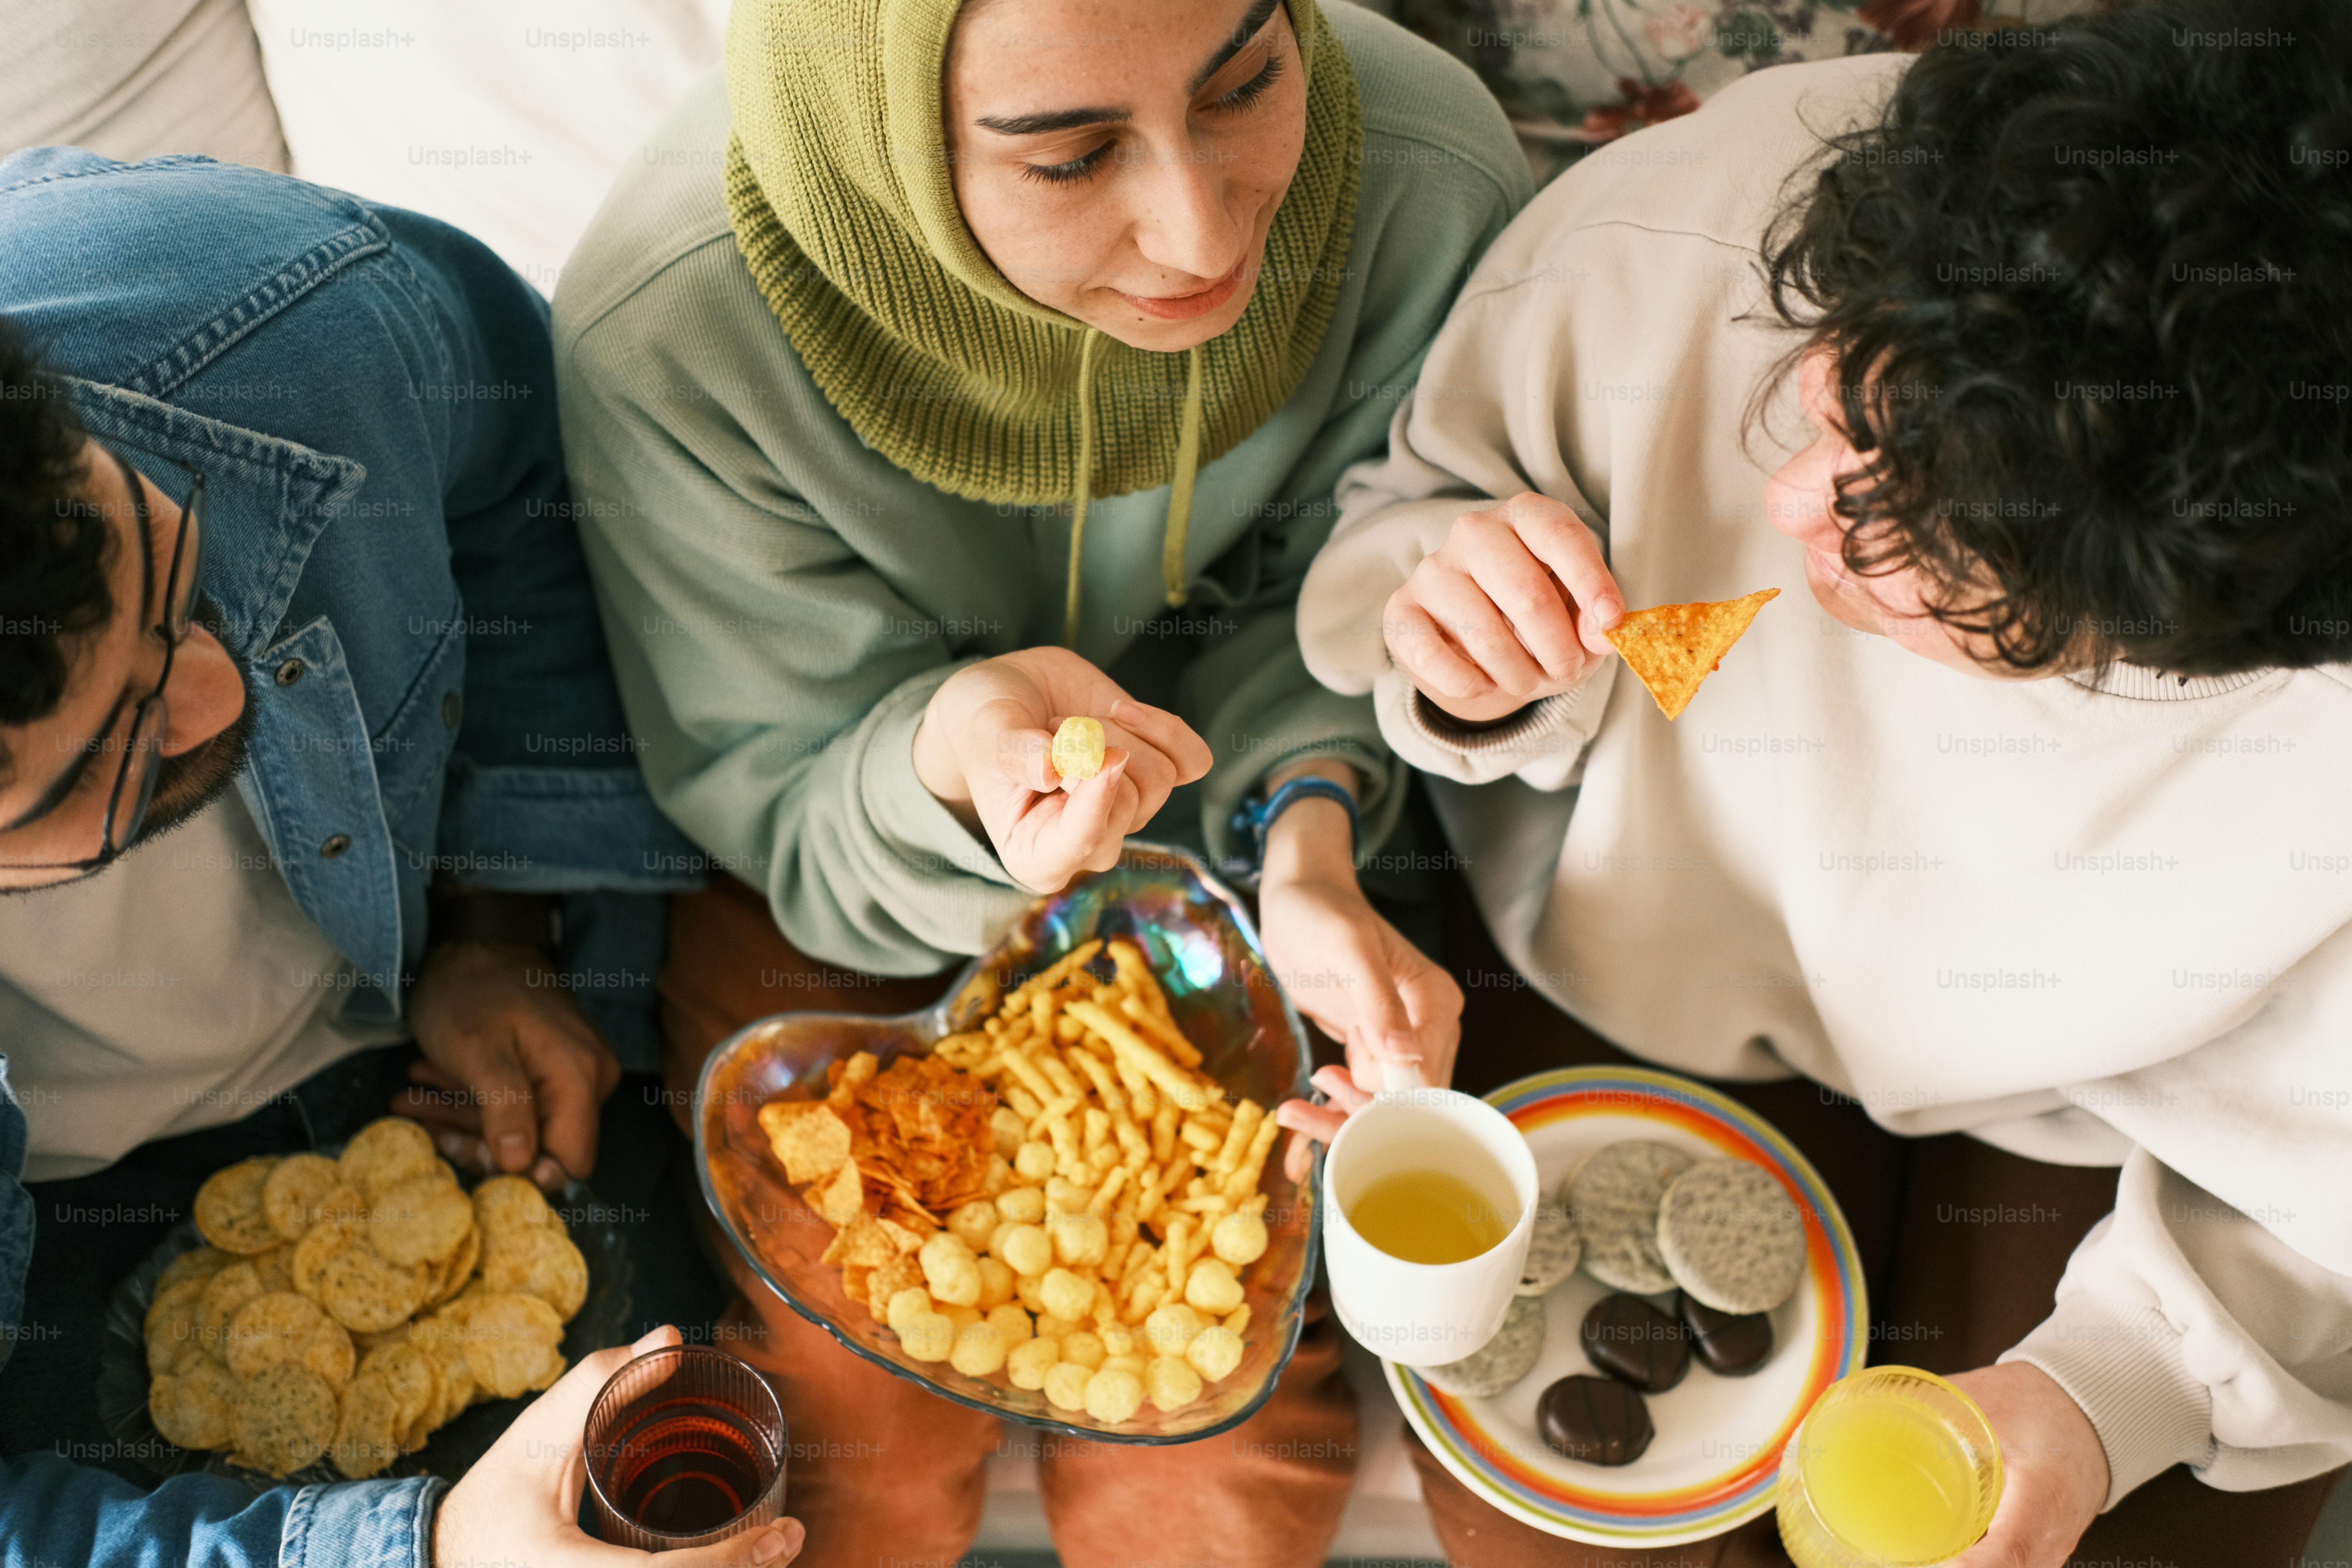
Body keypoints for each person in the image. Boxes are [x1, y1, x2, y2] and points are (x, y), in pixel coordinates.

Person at [1294, 1, 2352, 1563]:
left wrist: (2111, 1388)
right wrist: (1460, 647)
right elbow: (1395, 533)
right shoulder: (1695, 228)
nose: (1790, 498)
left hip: (2125, 1121)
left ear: (2180, 640)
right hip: (1616, 952)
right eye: (1837, 397)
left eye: (1913, 552)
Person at [553, 0, 1531, 1560]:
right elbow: (779, 789)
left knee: (1229, 1456)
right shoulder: (679, 326)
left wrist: (1308, 848)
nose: (1202, 226)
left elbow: (1356, 584)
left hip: (1235, 846)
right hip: (839, 874)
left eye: (1248, 83)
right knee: (849, 1428)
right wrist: (950, 753)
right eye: (1072, 156)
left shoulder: (1423, 180)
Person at [0, 147, 769, 1566]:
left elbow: (538, 514)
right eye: (114, 752)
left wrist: (500, 921)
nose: (220, 696)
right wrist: (418, 1552)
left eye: (162, 571)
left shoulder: (289, 318)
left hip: (422, 1031)